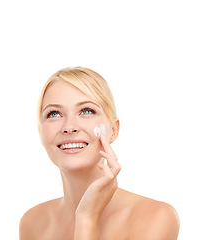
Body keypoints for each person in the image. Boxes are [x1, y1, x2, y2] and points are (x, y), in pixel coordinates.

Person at [19, 67, 180, 239]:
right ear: (41, 133)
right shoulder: (32, 223)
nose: (69, 127)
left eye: (87, 111)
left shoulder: (156, 218)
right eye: (54, 113)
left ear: (113, 130)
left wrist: (86, 218)